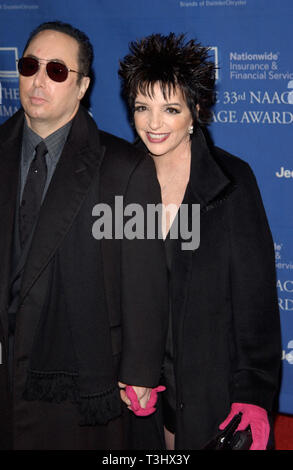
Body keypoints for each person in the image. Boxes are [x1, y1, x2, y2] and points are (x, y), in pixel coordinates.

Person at [0, 21, 168, 450]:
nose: (38, 80)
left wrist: (140, 372)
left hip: (81, 385)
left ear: (82, 86)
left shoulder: (123, 167)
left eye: (57, 71)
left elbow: (145, 284)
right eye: (29, 65)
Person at [119, 33, 282, 450]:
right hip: (139, 398)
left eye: (170, 109)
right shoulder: (118, 179)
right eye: (143, 107)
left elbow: (256, 306)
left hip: (214, 397)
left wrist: (253, 395)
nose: (154, 124)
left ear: (195, 111)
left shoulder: (231, 183)